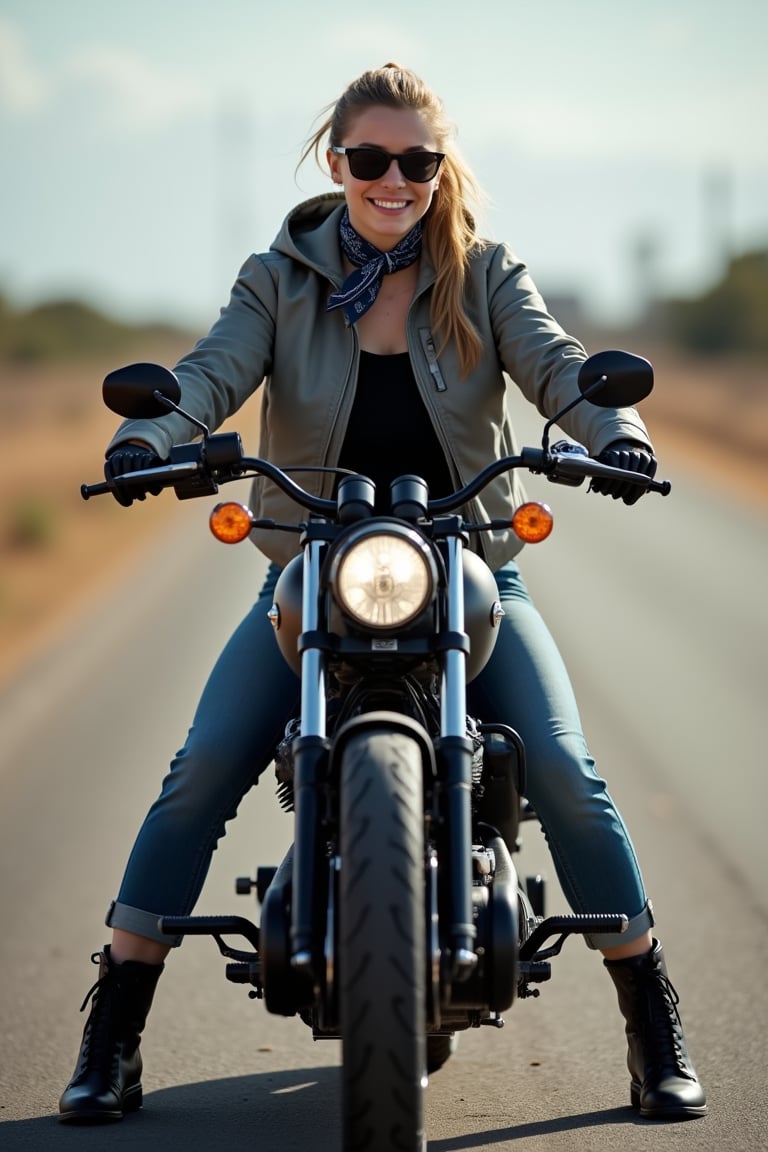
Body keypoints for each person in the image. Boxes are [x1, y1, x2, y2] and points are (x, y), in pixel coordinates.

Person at [59, 63, 706, 1124]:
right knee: (205, 763)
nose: (393, 180)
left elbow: (558, 365)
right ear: (338, 164)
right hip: (313, 566)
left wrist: (617, 432)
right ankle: (115, 1027)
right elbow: (211, 373)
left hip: (471, 565)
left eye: (416, 162)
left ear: (439, 171)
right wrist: (147, 437)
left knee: (562, 766)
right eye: (372, 159)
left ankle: (650, 1017)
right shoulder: (278, 279)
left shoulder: (485, 273)